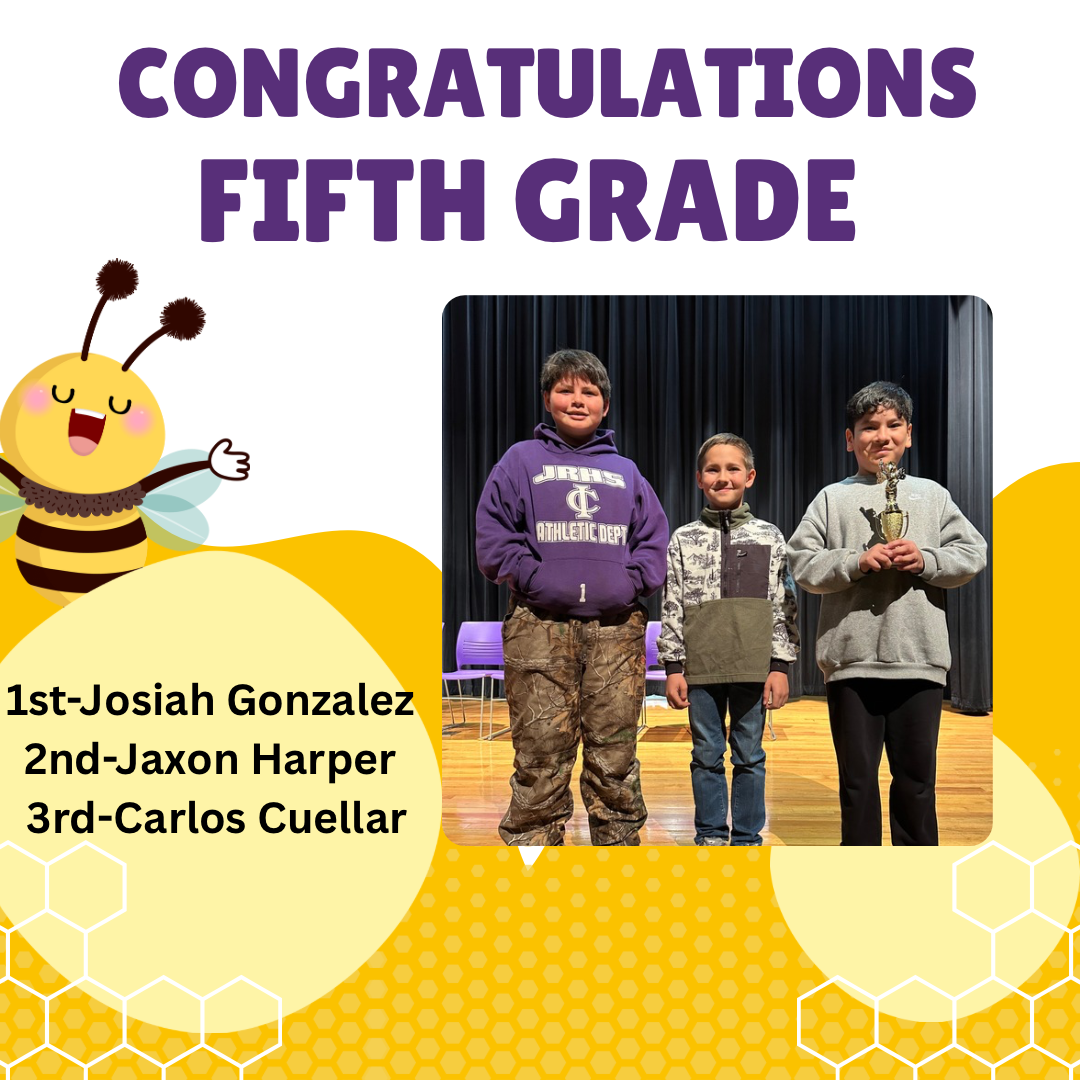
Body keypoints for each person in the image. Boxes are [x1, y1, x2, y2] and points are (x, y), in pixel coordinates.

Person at [475, 349, 668, 846]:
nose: (577, 400)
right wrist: (534, 578)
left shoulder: (626, 471)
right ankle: (535, 865)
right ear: (547, 398)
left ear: (605, 406)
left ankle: (618, 861)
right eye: (565, 389)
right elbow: (494, 535)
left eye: (589, 392)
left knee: (616, 757)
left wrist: (628, 584)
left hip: (615, 630)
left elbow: (652, 541)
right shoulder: (520, 460)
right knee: (539, 756)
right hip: (538, 625)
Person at [787, 381, 986, 846]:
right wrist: (854, 562)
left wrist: (927, 560)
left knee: (917, 786)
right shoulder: (831, 499)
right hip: (851, 665)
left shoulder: (932, 496)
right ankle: (862, 881)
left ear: (909, 433)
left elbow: (972, 552)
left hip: (920, 664)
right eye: (869, 427)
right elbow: (801, 562)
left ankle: (919, 883)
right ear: (850, 439)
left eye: (893, 425)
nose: (882, 435)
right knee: (857, 788)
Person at [658, 434, 799, 846]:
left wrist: (780, 666)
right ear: (700, 478)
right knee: (706, 756)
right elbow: (671, 605)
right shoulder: (683, 538)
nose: (723, 477)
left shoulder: (770, 536)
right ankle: (711, 835)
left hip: (753, 668)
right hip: (700, 670)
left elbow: (783, 605)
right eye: (713, 469)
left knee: (750, 757)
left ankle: (747, 839)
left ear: (750, 476)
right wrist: (672, 667)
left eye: (733, 468)